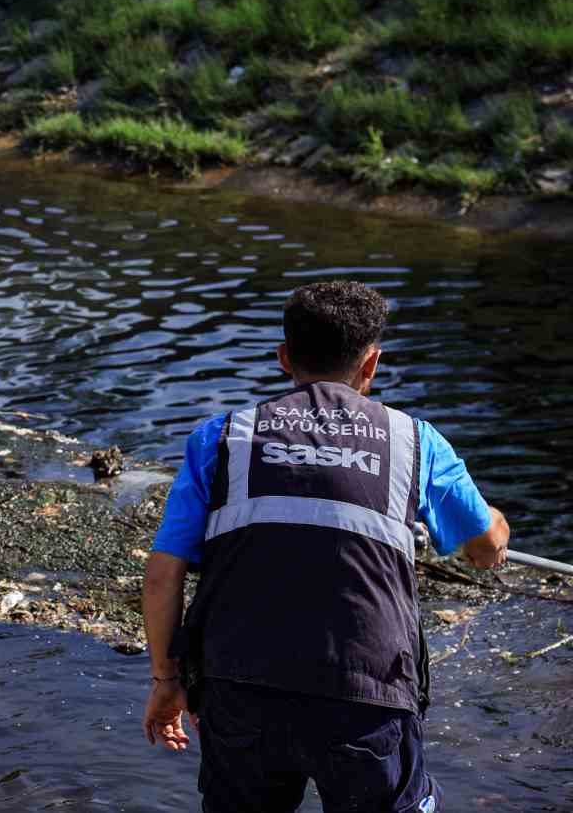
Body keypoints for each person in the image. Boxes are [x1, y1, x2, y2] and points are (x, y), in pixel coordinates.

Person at [141, 279, 510, 813]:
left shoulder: (220, 438)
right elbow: (485, 543)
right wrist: (493, 533)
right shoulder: (414, 441)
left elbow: (161, 574)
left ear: (285, 357)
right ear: (371, 364)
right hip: (368, 694)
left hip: (240, 689)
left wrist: (165, 681)